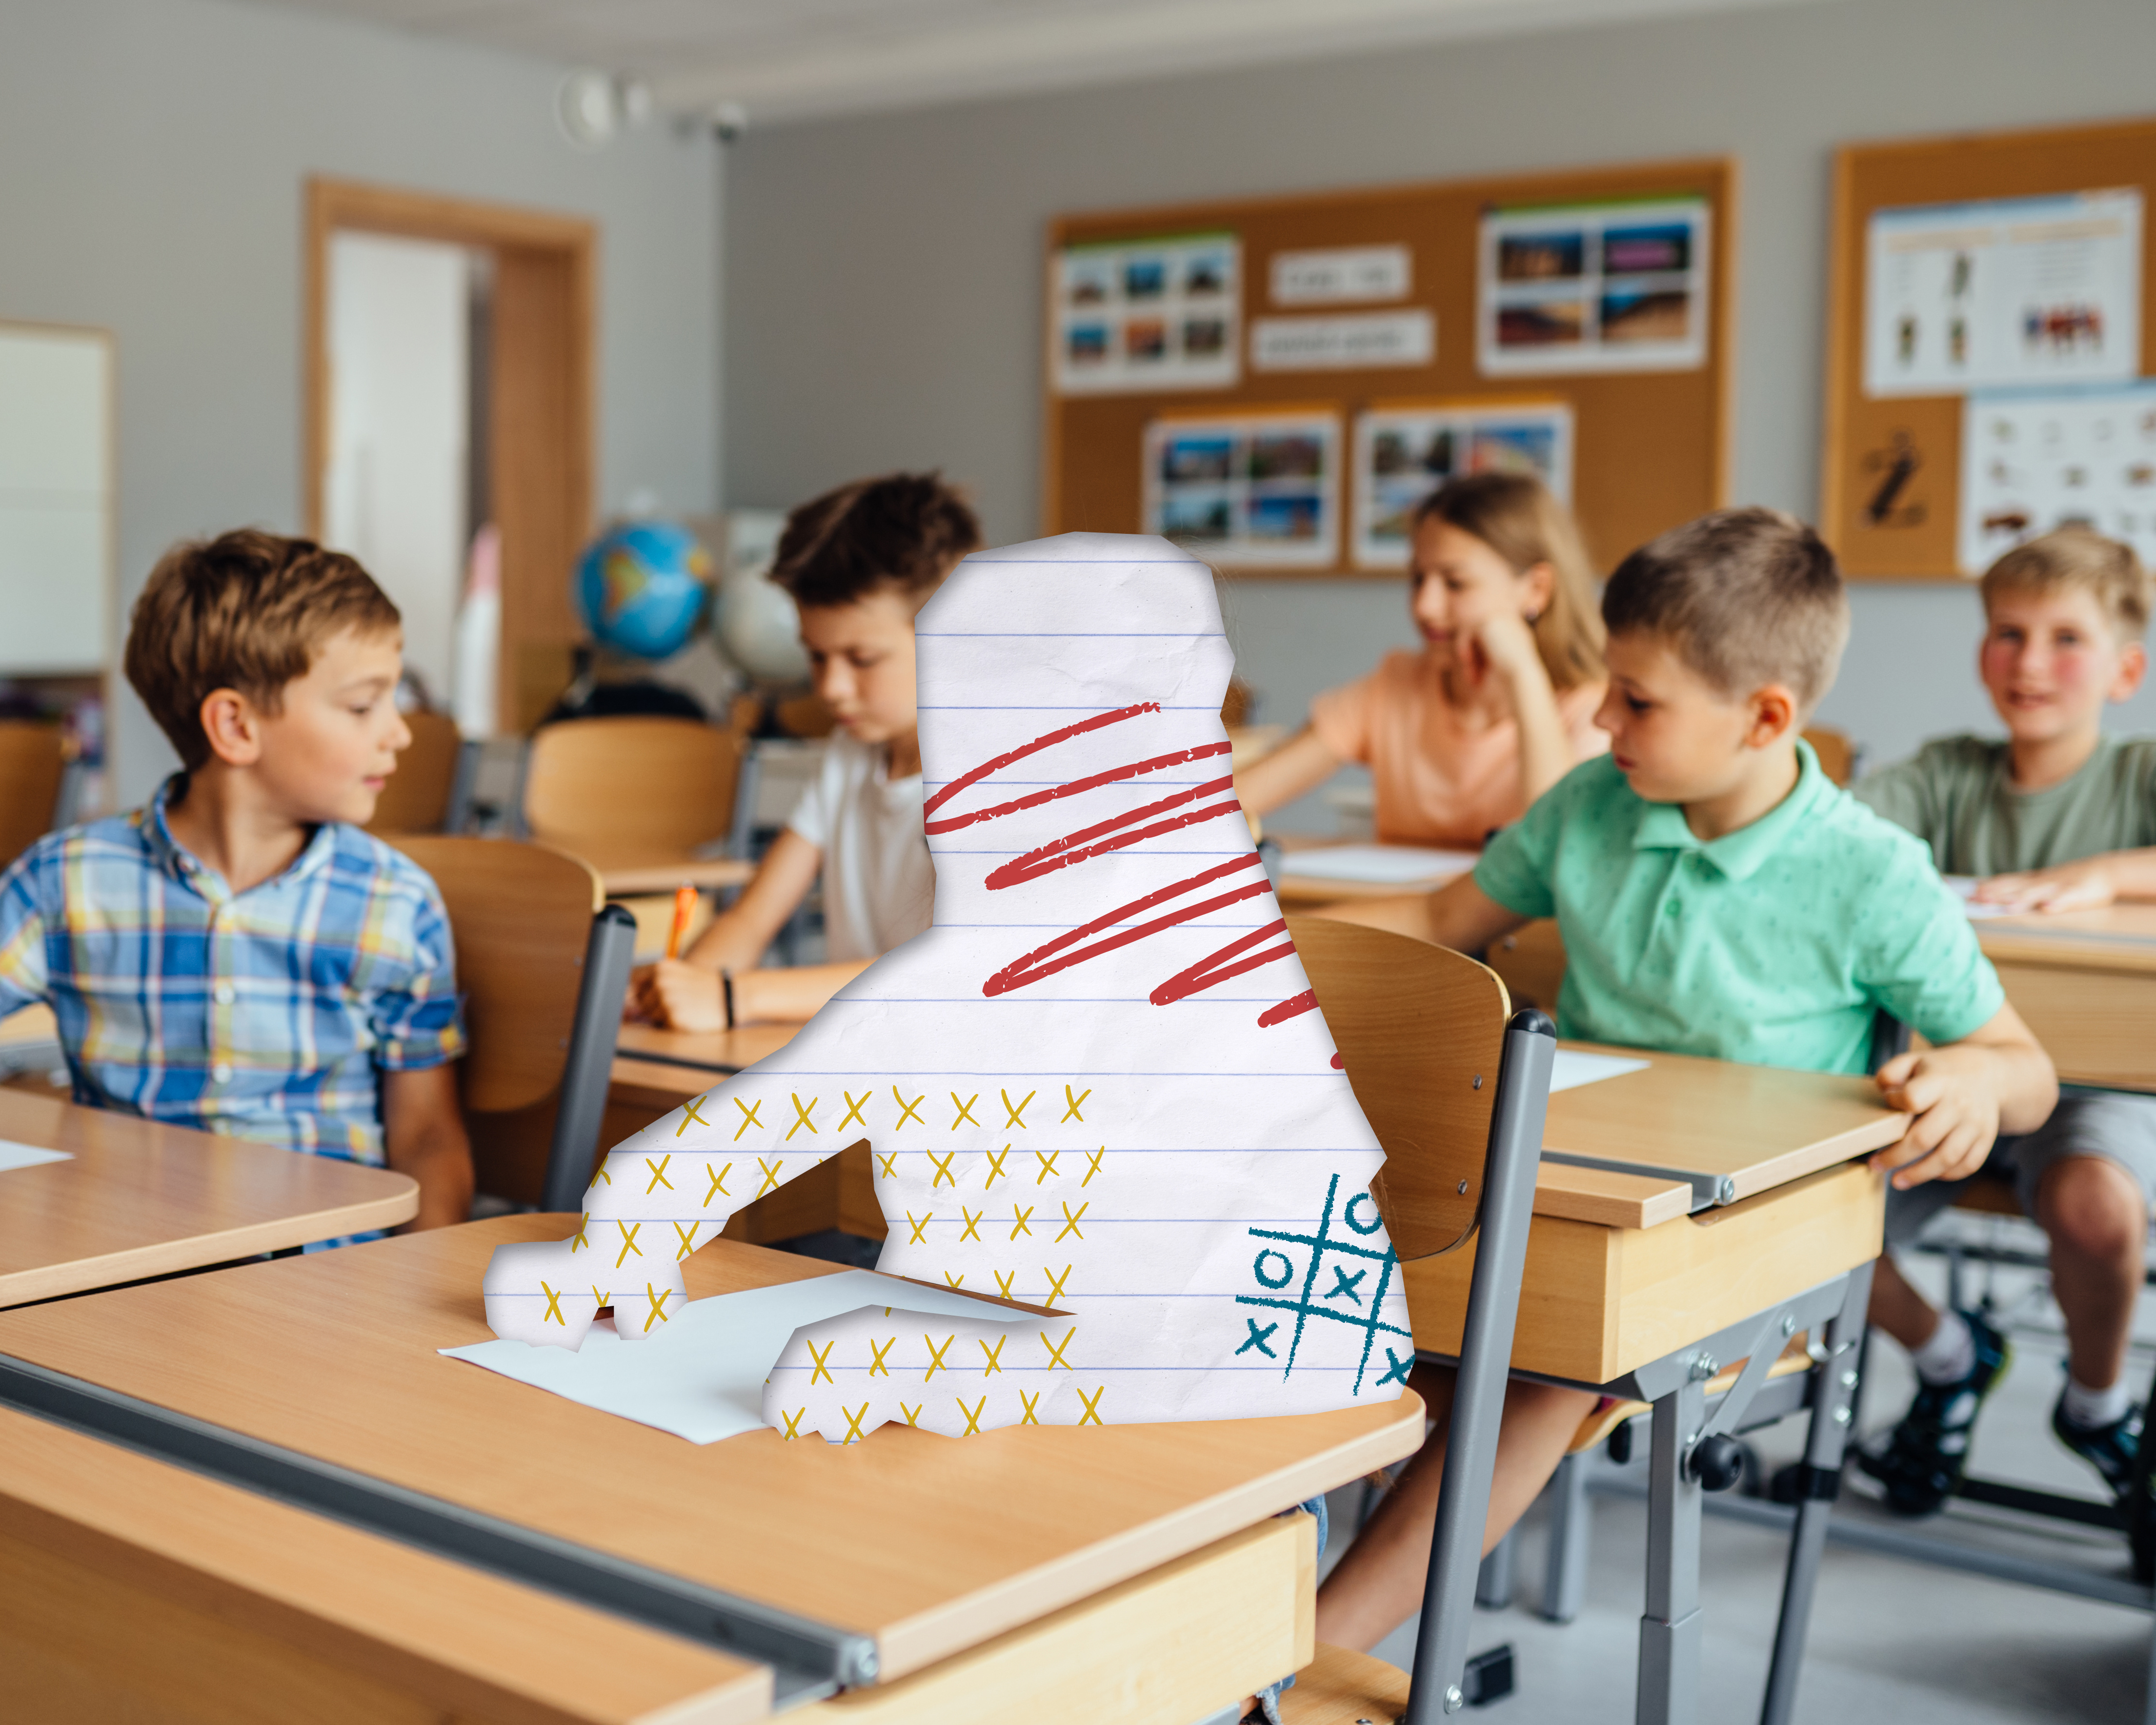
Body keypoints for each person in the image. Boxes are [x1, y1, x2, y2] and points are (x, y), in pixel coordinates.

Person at [1310, 506, 2057, 1653]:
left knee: (1544, 1356)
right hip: (1584, 1186)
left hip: (1750, 1238)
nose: (1600, 718)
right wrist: (1250, 953)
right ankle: (1267, 1633)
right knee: (1391, 1308)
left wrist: (1970, 1082)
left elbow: (2024, 1070)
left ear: (1765, 717)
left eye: (1637, 701)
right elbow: (1438, 919)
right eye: (1607, 687)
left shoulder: (1869, 874)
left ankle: (1308, 1656)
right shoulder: (1590, 810)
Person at [0, 530, 472, 1231]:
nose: (399, 733)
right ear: (235, 725)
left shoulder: (395, 904)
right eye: (363, 704)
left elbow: (426, 1135)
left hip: (327, 1276)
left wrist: (416, 1305)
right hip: (127, 1269)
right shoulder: (63, 880)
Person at [1850, 527, 2156, 1522]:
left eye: (2064, 638)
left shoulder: (2137, 776)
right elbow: (1836, 834)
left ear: (2123, 668)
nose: (2029, 662)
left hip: (2094, 1089)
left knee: (2095, 1207)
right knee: (1803, 1222)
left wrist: (2107, 875)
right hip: (1948, 1074)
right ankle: (1948, 1356)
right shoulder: (1945, 773)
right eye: (2006, 633)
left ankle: (2096, 1402)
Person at [632, 472, 980, 1030]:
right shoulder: (850, 752)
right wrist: (677, 987)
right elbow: (752, 918)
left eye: (862, 659)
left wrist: (734, 997)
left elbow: (947, 974)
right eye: (816, 657)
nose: (831, 688)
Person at [1234, 472, 1607, 845]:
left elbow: (1559, 843)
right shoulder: (1394, 686)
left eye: (1455, 583)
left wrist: (1524, 673)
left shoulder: (1597, 709)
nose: (1424, 607)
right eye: (1417, 579)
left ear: (1536, 589)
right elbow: (1236, 798)